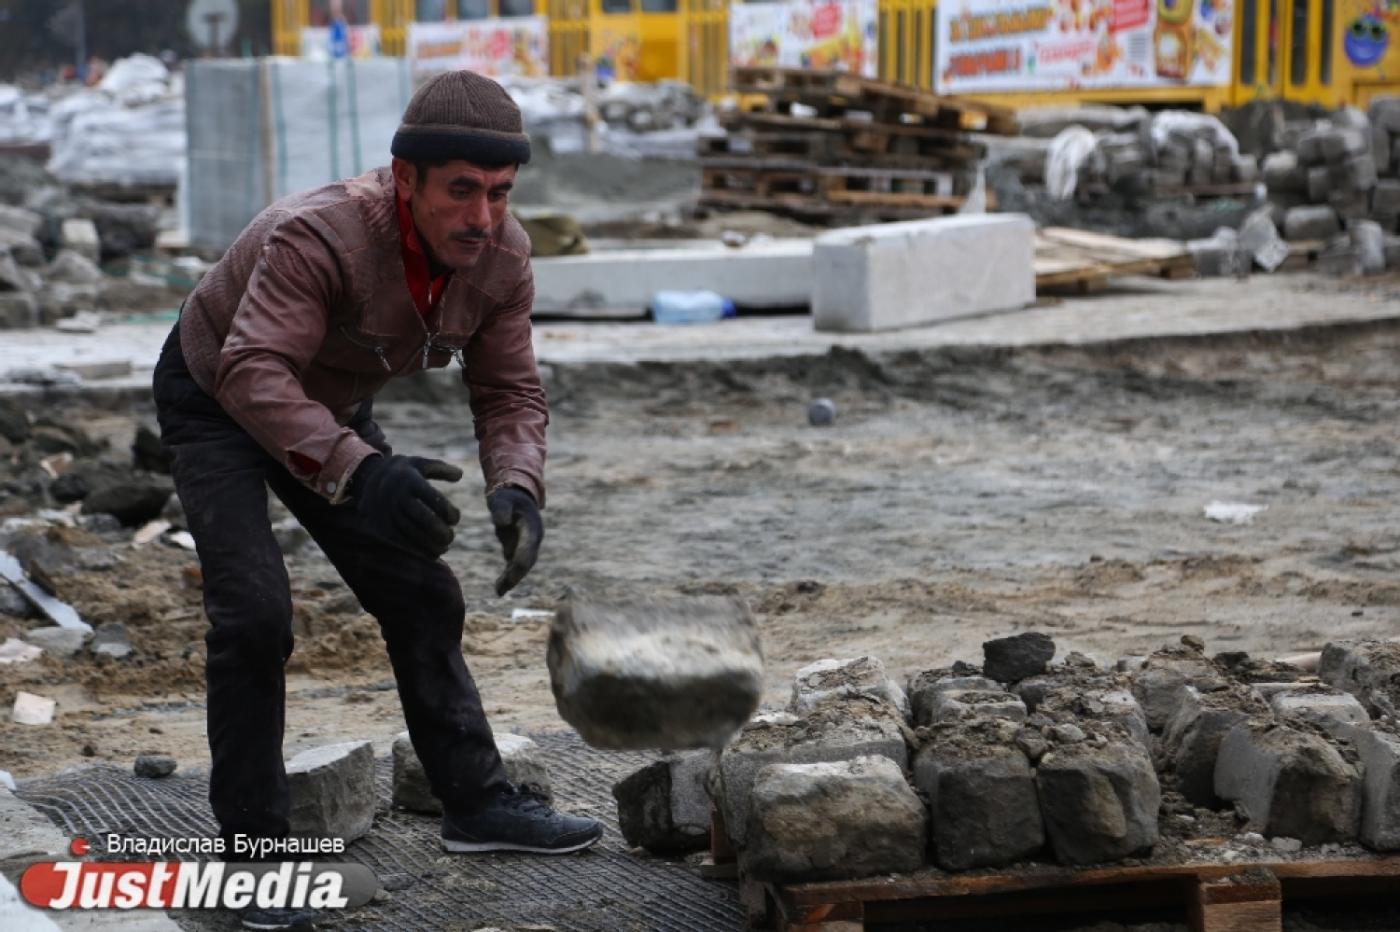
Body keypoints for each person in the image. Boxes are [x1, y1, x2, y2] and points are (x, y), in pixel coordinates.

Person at [153, 70, 602, 931]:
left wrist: (518, 485)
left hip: (328, 403)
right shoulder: (317, 237)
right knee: (253, 617)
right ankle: (253, 856)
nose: (482, 217)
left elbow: (509, 390)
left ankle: (475, 803)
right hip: (215, 388)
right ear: (407, 181)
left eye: (499, 193)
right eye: (461, 192)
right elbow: (253, 372)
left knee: (423, 591)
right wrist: (359, 470)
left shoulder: (504, 257)